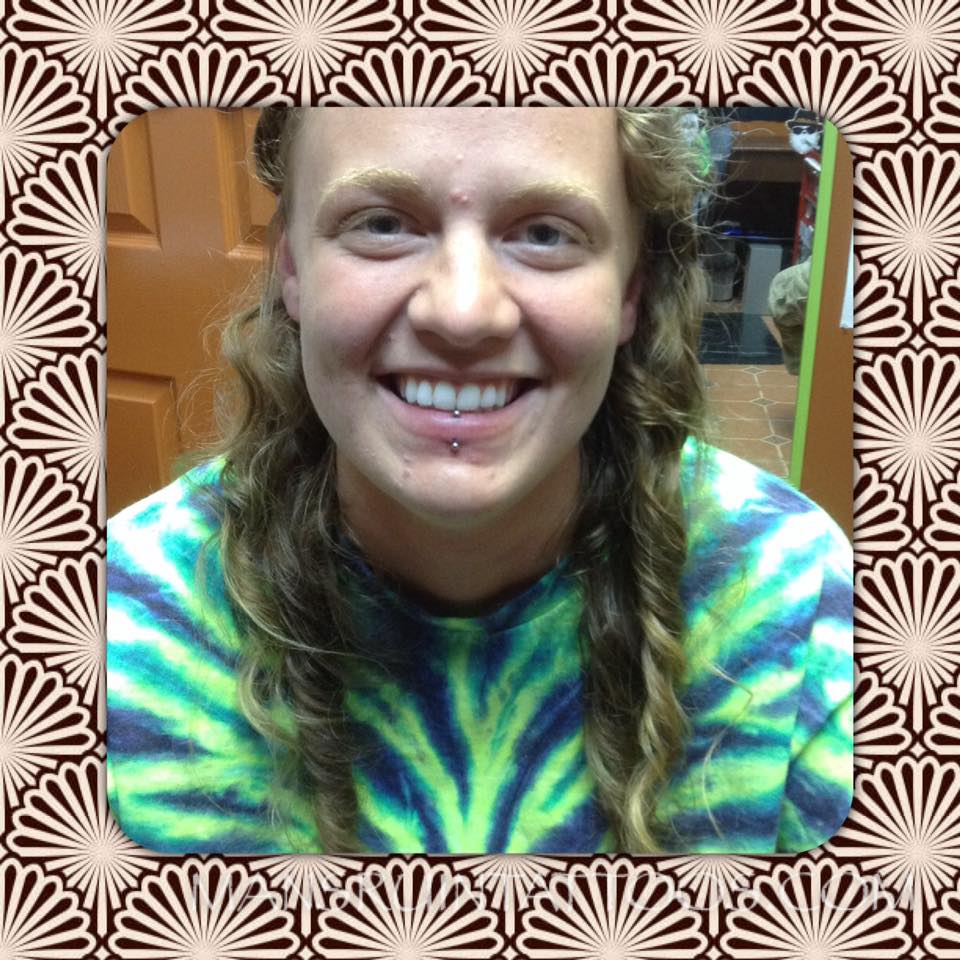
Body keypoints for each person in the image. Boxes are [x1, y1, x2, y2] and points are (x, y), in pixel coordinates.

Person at [106, 107, 853, 855]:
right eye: (382, 224)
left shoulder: (794, 600)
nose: (463, 314)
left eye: (546, 234)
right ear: (292, 271)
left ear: (632, 290)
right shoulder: (120, 622)